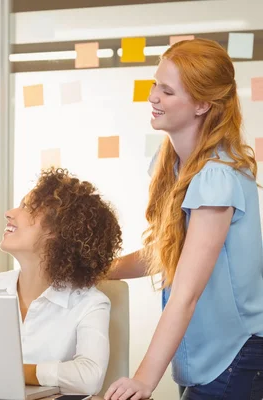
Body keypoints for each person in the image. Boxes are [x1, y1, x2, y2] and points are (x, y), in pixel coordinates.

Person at [104, 38, 263, 400]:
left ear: (203, 104)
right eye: (155, 84)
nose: (153, 97)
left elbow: (186, 293)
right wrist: (101, 269)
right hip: (204, 357)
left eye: (168, 91)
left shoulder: (216, 177)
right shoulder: (173, 164)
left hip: (235, 357)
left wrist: (143, 380)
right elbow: (167, 251)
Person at [0, 168, 123, 395]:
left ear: (57, 230)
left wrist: (20, 372)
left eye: (27, 207)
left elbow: (89, 376)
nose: (10, 213)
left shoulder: (90, 303)